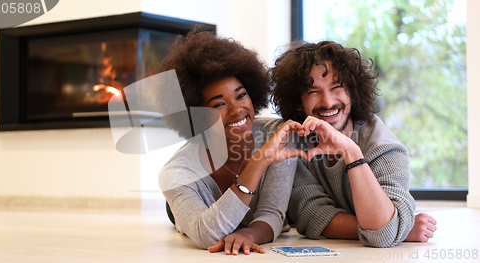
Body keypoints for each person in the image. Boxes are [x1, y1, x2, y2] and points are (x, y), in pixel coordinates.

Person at [270, 41, 437, 248]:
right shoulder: (295, 141)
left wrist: (351, 152)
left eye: (337, 87)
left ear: (353, 91)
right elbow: (310, 215)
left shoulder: (381, 145)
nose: (328, 102)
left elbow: (382, 235)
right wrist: (398, 228)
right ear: (297, 102)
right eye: (313, 92)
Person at [157, 30, 307, 255]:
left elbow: (272, 214)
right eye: (219, 104)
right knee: (184, 213)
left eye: (241, 95)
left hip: (236, 216)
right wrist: (261, 160)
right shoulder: (177, 173)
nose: (238, 110)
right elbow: (206, 234)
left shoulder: (277, 136)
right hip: (199, 206)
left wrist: (249, 234)